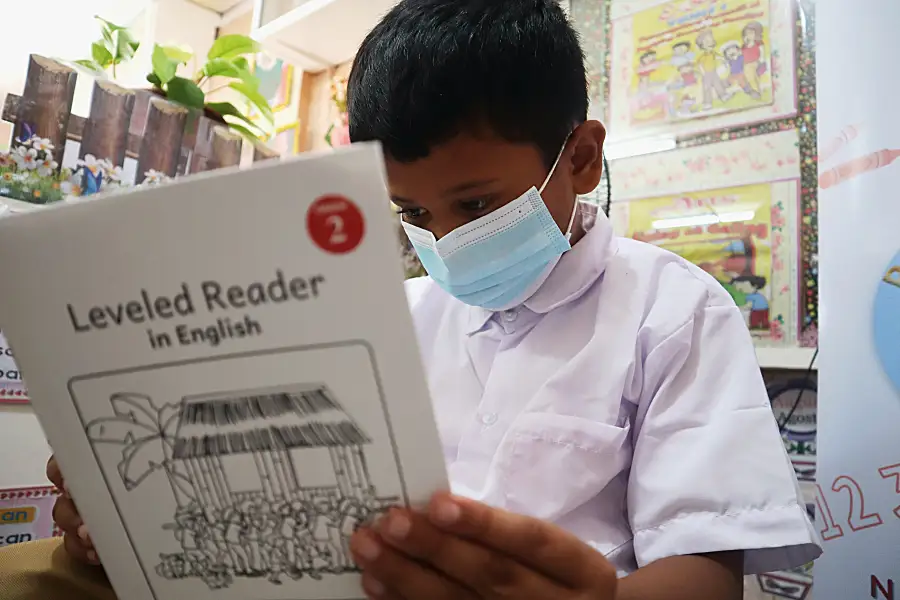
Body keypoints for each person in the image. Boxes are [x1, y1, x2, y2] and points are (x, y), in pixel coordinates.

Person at [8, 1, 820, 599]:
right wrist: (137, 527)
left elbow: (703, 574)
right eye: (414, 214)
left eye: (475, 205)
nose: (446, 240)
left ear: (579, 157)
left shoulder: (673, 311)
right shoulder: (390, 312)